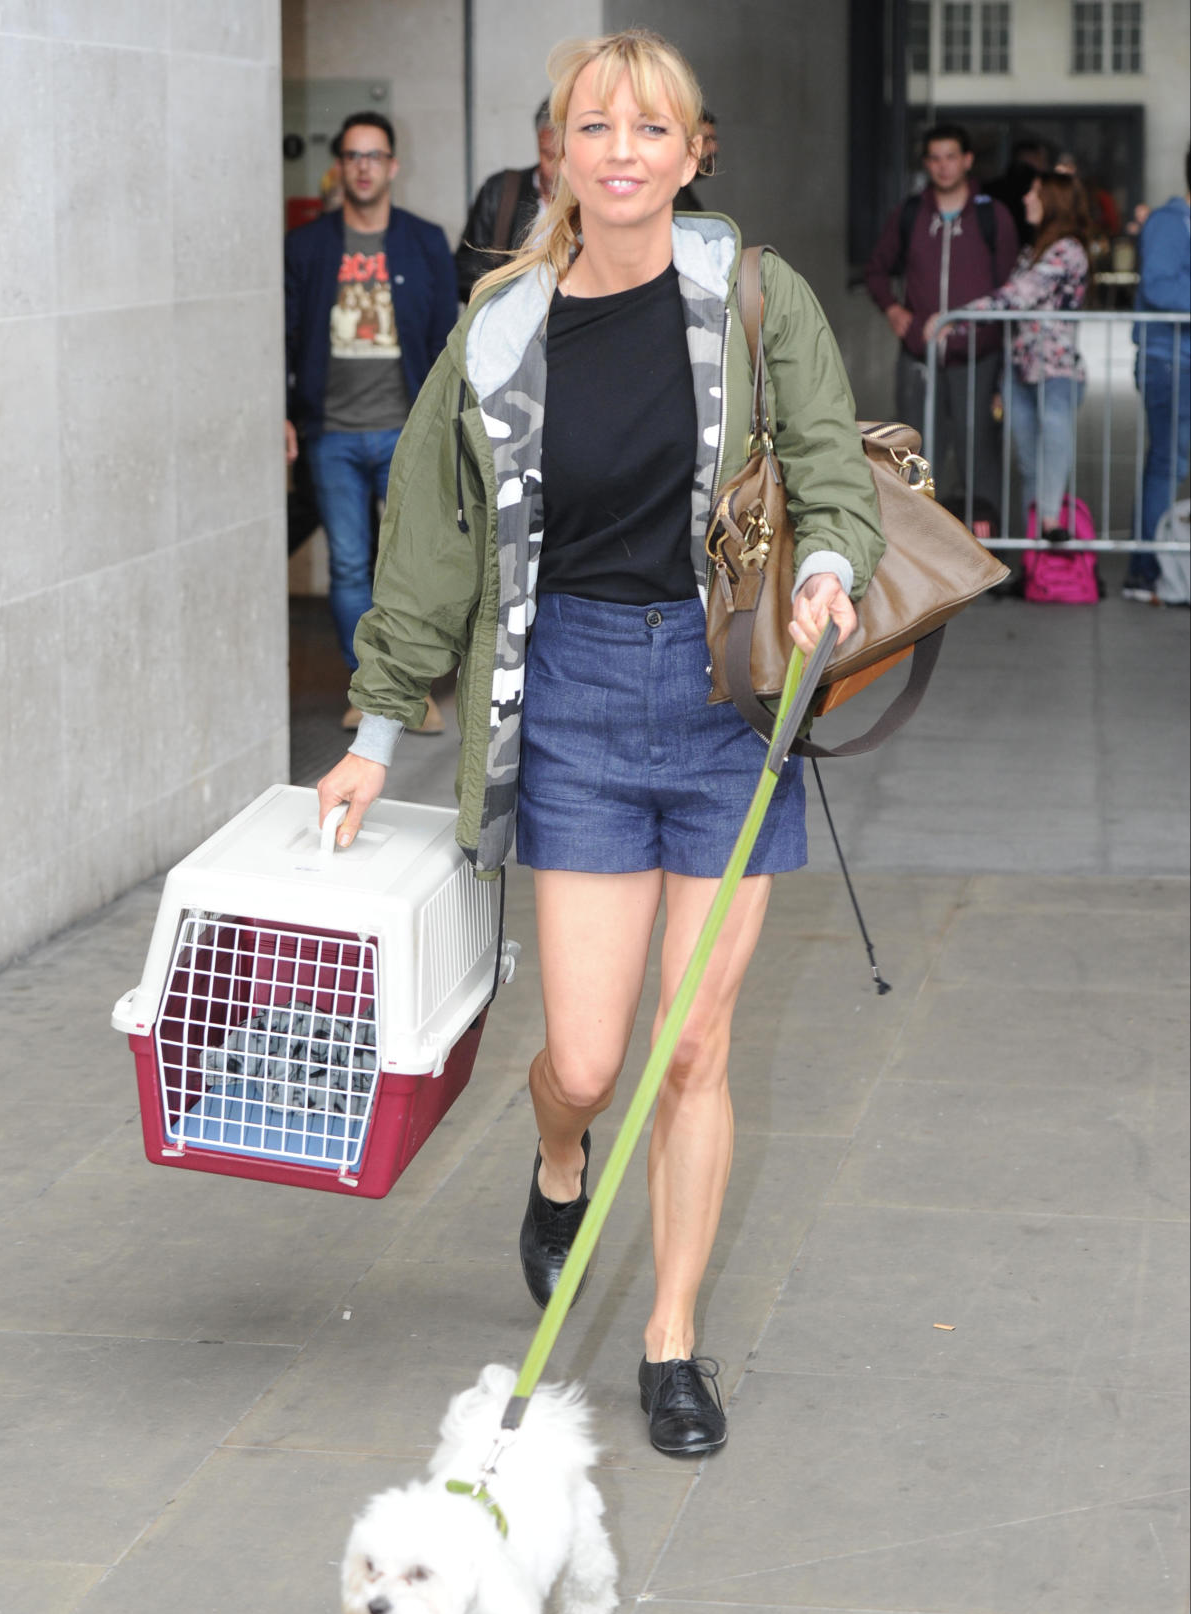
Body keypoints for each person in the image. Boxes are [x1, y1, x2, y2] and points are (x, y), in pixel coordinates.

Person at [316, 30, 883, 1459]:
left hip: (720, 704)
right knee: (581, 1054)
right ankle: (559, 1154)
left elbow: (826, 461)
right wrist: (377, 733)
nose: (621, 151)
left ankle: (670, 1338)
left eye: (651, 129)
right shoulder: (497, 331)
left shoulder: (754, 296)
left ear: (693, 153)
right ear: (556, 154)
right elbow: (432, 548)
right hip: (562, 696)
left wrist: (828, 565)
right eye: (593, 127)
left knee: (692, 1044)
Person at [284, 111, 458, 729]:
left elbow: (447, 341)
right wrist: (283, 414)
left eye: (374, 155)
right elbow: (285, 333)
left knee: (412, 566)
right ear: (341, 166)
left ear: (392, 166)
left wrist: (449, 422)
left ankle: (410, 690)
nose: (363, 166)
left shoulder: (423, 241)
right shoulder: (306, 247)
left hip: (406, 432)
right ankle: (368, 693)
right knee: (350, 566)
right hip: (331, 433)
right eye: (353, 156)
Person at [865, 122, 1019, 523]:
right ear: (926, 164)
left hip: (978, 357)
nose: (943, 166)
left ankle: (986, 553)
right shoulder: (911, 212)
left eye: (951, 156)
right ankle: (920, 553)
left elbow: (1010, 291)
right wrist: (894, 310)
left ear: (967, 161)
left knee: (979, 453)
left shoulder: (993, 216)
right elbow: (877, 270)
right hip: (920, 357)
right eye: (935, 158)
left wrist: (1003, 365)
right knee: (915, 452)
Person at [929, 171, 1091, 541]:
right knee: (1029, 465)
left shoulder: (1068, 250)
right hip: (1019, 371)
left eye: (1034, 192)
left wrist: (957, 320)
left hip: (1055, 372)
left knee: (1052, 450)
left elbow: (1017, 296)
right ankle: (1037, 561)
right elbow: (1012, 305)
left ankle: (1049, 522)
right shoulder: (1032, 251)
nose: (1026, 200)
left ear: (1053, 201)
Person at [1123, 149, 1191, 604]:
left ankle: (1149, 566)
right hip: (1170, 361)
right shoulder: (1170, 223)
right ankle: (1147, 570)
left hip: (1179, 358)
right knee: (1168, 465)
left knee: (1168, 463)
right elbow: (1159, 284)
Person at [455, 99, 559, 301]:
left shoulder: (597, 201)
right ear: (538, 141)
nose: (559, 170)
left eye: (567, 157)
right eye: (549, 156)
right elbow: (465, 274)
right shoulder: (502, 191)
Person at [673, 106, 717, 212]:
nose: (714, 148)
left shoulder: (680, 191)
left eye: (714, 140)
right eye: (706, 140)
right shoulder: (669, 194)